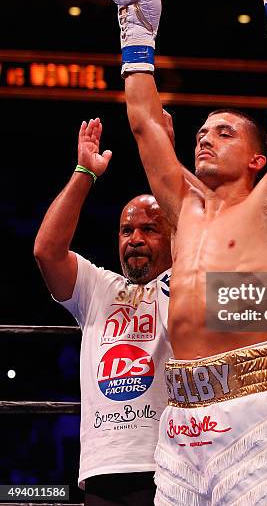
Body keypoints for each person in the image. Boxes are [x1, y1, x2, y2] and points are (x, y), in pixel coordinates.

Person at [106, 0, 267, 504]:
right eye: (201, 131)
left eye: (223, 133)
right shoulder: (186, 208)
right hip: (180, 418)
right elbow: (146, 127)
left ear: (256, 156)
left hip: (254, 409)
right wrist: (137, 38)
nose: (204, 139)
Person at [34, 117, 173, 505]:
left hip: (170, 463)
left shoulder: (190, 283)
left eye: (150, 229)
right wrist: (84, 172)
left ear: (173, 235)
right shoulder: (98, 286)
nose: (135, 239)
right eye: (127, 231)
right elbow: (46, 250)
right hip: (101, 466)